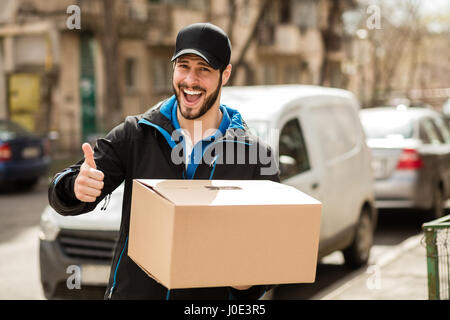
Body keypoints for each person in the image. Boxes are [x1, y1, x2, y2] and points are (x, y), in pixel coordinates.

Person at [48, 22, 279, 300]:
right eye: (183, 66)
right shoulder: (136, 134)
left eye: (203, 69)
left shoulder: (255, 156)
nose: (190, 81)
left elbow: (264, 262)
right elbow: (63, 196)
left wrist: (248, 283)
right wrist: (74, 187)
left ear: (225, 74)